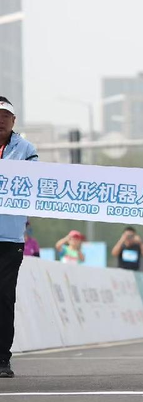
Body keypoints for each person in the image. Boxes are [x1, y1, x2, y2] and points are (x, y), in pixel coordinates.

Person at [0, 96, 38, 378]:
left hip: (10, 238)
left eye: (5, 115)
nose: (1, 119)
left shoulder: (25, 149)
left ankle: (2, 359)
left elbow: (37, 185)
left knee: (3, 298)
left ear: (13, 121)